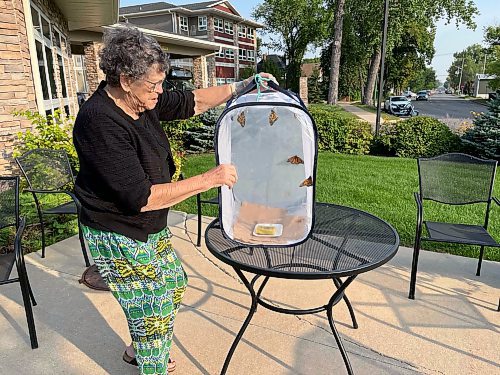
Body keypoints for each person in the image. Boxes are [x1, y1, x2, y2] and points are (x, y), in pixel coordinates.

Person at [73, 25, 274, 375]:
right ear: (124, 79)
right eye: (153, 85)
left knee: (173, 284)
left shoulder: (142, 98)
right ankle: (151, 363)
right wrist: (210, 179)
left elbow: (190, 101)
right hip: (117, 230)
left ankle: (137, 350)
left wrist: (241, 87)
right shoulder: (99, 121)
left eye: (160, 83)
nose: (160, 92)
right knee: (150, 310)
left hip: (148, 225)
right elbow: (142, 197)